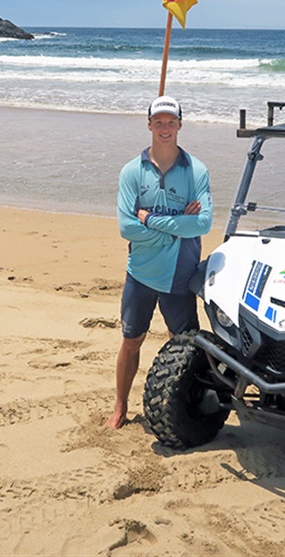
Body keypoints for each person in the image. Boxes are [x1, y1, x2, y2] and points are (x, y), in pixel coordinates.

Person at [109, 95, 212, 429]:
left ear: (180, 125)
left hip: (181, 275)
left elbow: (203, 224)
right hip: (140, 273)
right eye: (159, 122)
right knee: (131, 340)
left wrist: (151, 222)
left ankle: (184, 406)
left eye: (171, 122)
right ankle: (120, 405)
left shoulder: (196, 170)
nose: (165, 128)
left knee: (182, 345)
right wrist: (175, 227)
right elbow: (126, 227)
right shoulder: (131, 172)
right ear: (149, 125)